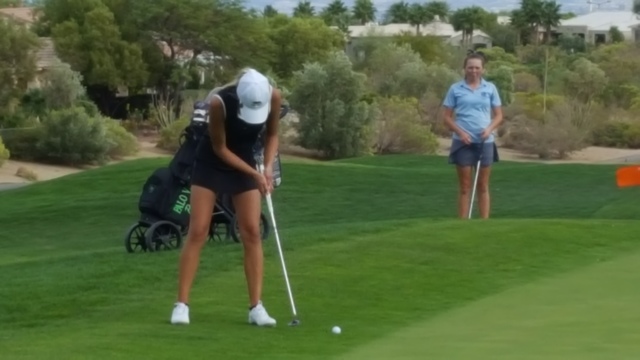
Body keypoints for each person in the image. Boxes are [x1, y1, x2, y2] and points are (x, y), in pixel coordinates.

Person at [170, 68, 282, 327]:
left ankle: (256, 308)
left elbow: (273, 135)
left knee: (252, 231)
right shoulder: (219, 102)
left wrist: (266, 168)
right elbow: (220, 148)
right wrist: (254, 175)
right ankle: (181, 305)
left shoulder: (273, 96)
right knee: (198, 230)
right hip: (212, 163)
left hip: (247, 163)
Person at [442, 51, 503, 219]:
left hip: (485, 141)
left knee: (482, 186)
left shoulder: (490, 88)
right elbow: (446, 117)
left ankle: (484, 223)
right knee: (464, 186)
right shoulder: (455, 89)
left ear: (483, 69)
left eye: (477, 67)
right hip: (463, 143)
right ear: (464, 68)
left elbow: (499, 115)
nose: (473, 71)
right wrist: (461, 133)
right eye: (470, 67)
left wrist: (489, 129)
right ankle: (463, 225)